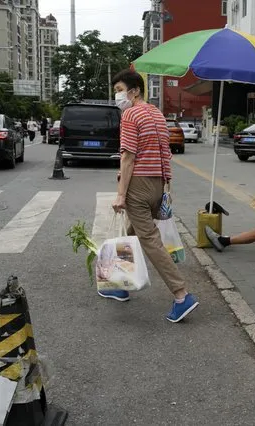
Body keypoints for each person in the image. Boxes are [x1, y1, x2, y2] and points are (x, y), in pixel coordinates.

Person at [108, 69, 199, 323]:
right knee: (132, 233)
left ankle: (182, 294)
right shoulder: (158, 115)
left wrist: (120, 194)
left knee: (150, 240)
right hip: (158, 184)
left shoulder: (131, 114)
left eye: (119, 90)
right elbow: (165, 153)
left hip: (138, 184)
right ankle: (121, 284)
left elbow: (128, 156)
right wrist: (166, 187)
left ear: (134, 90)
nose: (117, 96)